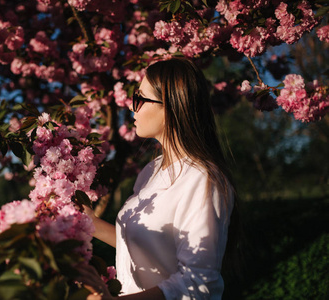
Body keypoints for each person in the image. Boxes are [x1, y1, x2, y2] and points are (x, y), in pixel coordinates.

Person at [78, 58, 238, 300]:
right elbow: (146, 246)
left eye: (140, 99)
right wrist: (88, 221)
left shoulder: (202, 179)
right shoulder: (151, 171)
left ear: (171, 107)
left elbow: (199, 282)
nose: (133, 107)